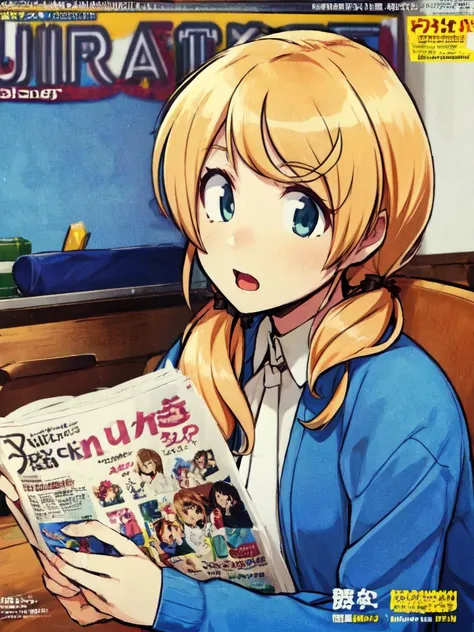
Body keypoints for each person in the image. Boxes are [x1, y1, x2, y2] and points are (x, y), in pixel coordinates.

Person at [3, 29, 474, 631]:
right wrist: (102, 582)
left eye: (299, 210)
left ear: (369, 232)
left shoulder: (404, 404)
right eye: (221, 195)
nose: (236, 238)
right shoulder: (214, 348)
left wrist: (170, 603)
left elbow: (387, 617)